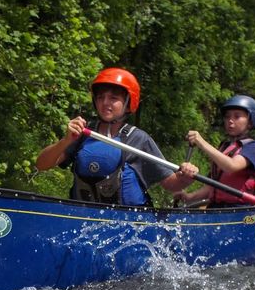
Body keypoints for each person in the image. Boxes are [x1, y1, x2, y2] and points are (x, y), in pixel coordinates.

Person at [35, 67, 196, 206]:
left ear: (128, 103)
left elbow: (171, 184)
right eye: (100, 97)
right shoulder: (82, 133)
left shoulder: (139, 139)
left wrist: (186, 177)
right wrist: (66, 140)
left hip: (128, 224)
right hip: (83, 219)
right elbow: (41, 165)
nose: (105, 102)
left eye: (113, 98)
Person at [174, 94, 255, 206]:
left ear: (250, 121)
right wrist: (190, 197)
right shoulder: (224, 147)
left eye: (237, 116)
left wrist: (201, 142)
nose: (230, 121)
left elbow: (231, 166)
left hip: (240, 210)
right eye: (227, 117)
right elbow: (213, 184)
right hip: (216, 208)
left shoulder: (253, 147)